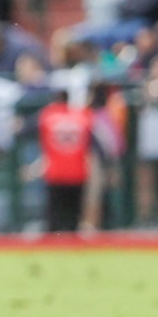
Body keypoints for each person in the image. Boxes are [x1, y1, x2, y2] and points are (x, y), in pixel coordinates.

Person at [36, 90, 94, 234]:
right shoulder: (82, 117)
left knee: (54, 217)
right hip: (77, 172)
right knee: (73, 216)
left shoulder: (48, 116)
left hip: (55, 173)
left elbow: (26, 129)